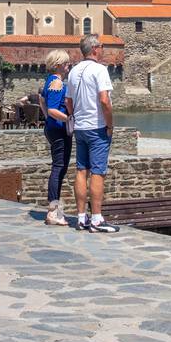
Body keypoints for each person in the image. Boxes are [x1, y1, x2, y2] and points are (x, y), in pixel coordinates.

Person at [65, 34, 119, 233]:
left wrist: (76, 116)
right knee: (98, 172)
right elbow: (104, 100)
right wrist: (110, 124)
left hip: (80, 128)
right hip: (97, 128)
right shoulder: (100, 70)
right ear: (95, 49)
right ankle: (96, 219)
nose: (103, 49)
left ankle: (81, 217)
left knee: (81, 170)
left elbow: (68, 102)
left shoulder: (73, 72)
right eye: (102, 46)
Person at [41, 50, 73, 226]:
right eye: (67, 63)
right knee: (58, 168)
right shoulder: (57, 83)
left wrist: (47, 119)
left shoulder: (49, 82)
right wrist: (68, 119)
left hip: (53, 129)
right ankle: (53, 211)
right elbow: (53, 109)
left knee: (59, 168)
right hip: (59, 131)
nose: (69, 66)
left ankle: (55, 209)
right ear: (59, 65)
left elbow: (41, 100)